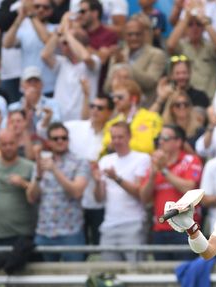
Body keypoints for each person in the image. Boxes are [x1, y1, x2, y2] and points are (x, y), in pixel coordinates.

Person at [27, 123, 89, 262]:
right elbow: (31, 198)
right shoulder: (41, 162)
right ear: (48, 142)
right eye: (55, 139)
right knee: (44, 281)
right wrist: (38, 176)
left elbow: (77, 192)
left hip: (70, 232)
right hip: (44, 232)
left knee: (74, 279)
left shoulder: (80, 162)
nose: (60, 141)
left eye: (64, 138)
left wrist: (55, 170)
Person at [140, 124, 202, 260]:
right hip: (160, 229)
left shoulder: (191, 160)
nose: (161, 142)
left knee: (185, 273)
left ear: (178, 142)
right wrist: (152, 175)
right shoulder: (155, 163)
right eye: (159, 138)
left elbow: (189, 189)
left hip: (185, 228)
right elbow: (144, 198)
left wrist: (164, 170)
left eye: (166, 138)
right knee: (162, 276)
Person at [94, 122, 150, 262]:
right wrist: (96, 181)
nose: (117, 141)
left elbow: (139, 192)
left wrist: (116, 178)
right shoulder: (105, 160)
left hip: (133, 223)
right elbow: (99, 198)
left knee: (136, 273)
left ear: (129, 137)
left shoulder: (142, 158)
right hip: (108, 224)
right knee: (109, 274)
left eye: (121, 137)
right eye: (114, 137)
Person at [65, 94, 114, 245]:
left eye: (100, 108)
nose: (94, 110)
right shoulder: (74, 127)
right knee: (79, 246)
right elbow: (49, 133)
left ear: (109, 112)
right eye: (92, 106)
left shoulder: (113, 135)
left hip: (102, 201)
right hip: (75, 201)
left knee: (99, 245)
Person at [0, 129, 36, 249]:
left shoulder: (30, 166)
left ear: (17, 143)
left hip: (23, 233)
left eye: (11, 143)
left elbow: (38, 196)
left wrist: (24, 183)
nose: (8, 147)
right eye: (4, 144)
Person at [41, 14, 101, 121]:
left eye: (65, 43)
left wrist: (68, 34)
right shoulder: (62, 62)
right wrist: (60, 30)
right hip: (60, 120)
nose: (60, 45)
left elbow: (86, 58)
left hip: (82, 120)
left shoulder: (94, 60)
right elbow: (45, 55)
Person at [165, 8, 216, 99]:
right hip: (185, 100)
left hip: (208, 100)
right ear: (185, 28)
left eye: (198, 24)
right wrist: (186, 19)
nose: (194, 28)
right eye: (190, 25)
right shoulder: (181, 46)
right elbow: (170, 46)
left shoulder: (210, 47)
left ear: (203, 28)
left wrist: (205, 22)